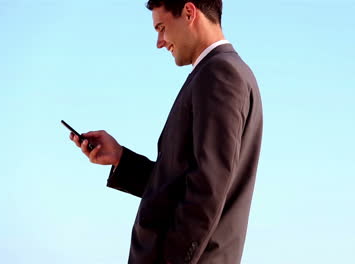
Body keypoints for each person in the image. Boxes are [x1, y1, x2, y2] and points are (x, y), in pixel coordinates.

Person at [69, 0, 262, 263]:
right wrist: (121, 158)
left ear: (189, 12)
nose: (159, 42)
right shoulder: (220, 72)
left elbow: (206, 190)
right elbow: (180, 185)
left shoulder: (219, 74)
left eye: (161, 27)